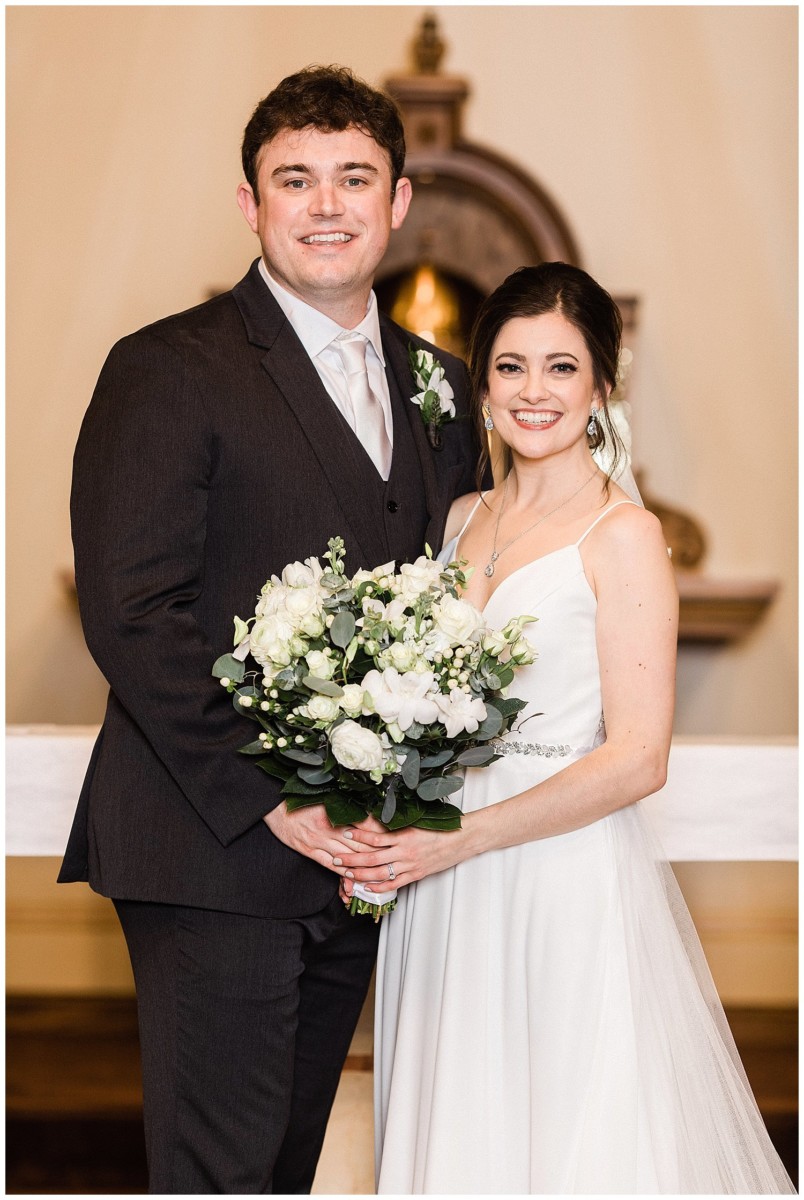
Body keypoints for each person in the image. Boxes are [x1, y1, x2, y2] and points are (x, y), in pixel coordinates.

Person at [58, 65, 478, 1194]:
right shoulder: (167, 369)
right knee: (219, 1174)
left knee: (281, 1170)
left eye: (355, 177)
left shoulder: (442, 384)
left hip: (361, 866)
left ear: (399, 201)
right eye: (295, 179)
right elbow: (133, 612)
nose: (327, 204)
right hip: (217, 849)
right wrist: (275, 798)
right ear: (250, 203)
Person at [338, 263, 795, 1193]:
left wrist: (458, 839)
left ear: (601, 387)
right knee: (455, 1116)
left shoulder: (623, 535)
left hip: (554, 873)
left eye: (560, 367)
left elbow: (637, 758)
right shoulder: (461, 520)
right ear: (483, 382)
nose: (533, 392)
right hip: (439, 880)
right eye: (510, 367)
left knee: (560, 1128)